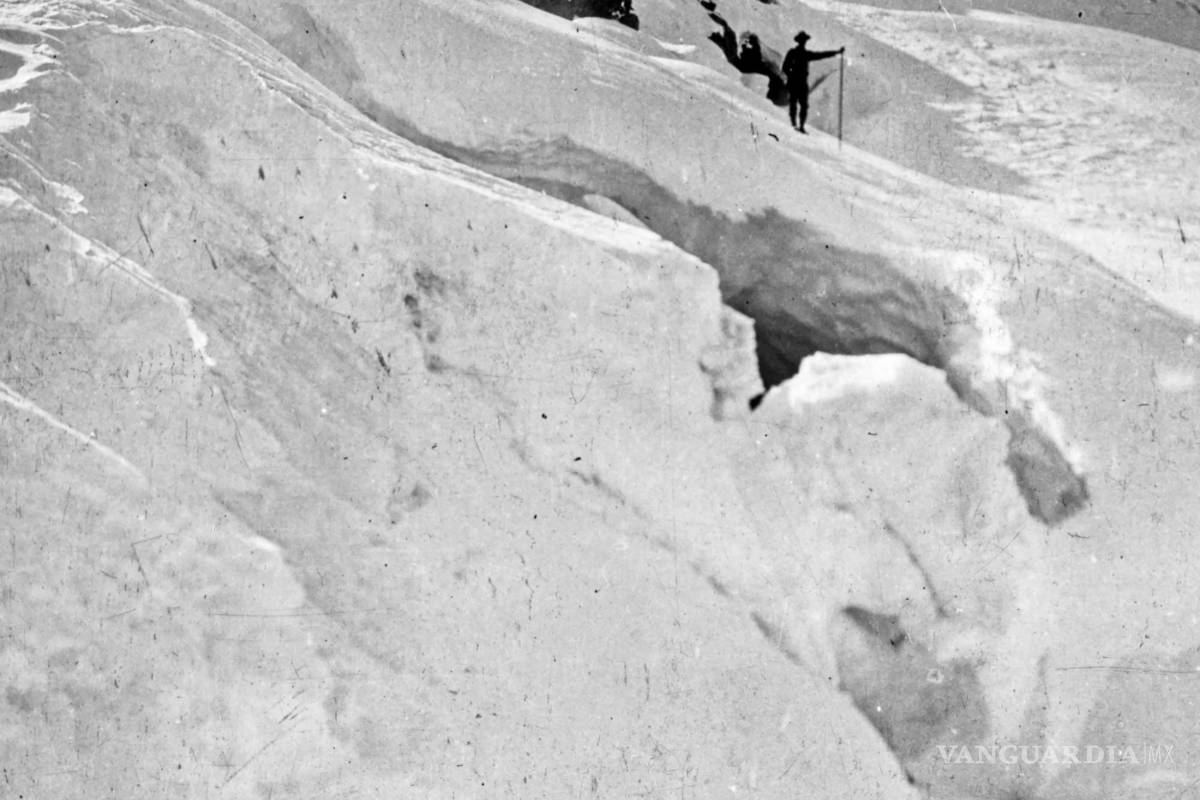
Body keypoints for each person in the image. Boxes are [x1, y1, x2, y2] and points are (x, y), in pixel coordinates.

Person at [782, 31, 843, 133]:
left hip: (798, 83)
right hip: (797, 82)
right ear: (800, 41)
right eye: (803, 41)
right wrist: (791, 76)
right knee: (798, 104)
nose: (803, 43)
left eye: (804, 41)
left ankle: (798, 125)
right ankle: (796, 124)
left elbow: (821, 55)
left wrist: (836, 52)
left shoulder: (800, 53)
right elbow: (785, 67)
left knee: (801, 105)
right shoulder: (798, 53)